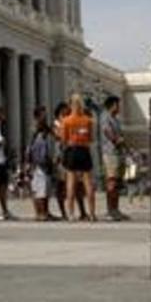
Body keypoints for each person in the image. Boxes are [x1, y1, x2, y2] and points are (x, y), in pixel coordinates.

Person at [58, 94, 97, 222]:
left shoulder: (66, 121)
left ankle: (71, 214)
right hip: (84, 150)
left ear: (71, 105)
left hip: (71, 150)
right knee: (88, 183)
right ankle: (92, 213)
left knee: (71, 183)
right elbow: (91, 138)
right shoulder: (88, 120)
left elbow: (63, 139)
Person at [99, 95, 130, 222]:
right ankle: (110, 211)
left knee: (116, 183)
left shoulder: (115, 119)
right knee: (111, 182)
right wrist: (116, 140)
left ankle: (115, 209)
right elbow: (107, 131)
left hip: (118, 153)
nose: (119, 107)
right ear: (112, 105)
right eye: (118, 105)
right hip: (110, 153)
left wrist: (125, 148)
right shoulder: (105, 117)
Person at [27, 106, 57, 222]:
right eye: (43, 114)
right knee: (39, 189)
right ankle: (39, 213)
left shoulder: (44, 127)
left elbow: (53, 133)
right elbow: (29, 147)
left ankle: (45, 211)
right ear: (37, 116)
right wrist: (29, 163)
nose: (45, 117)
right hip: (38, 163)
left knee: (45, 189)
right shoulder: (35, 128)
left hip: (45, 161)